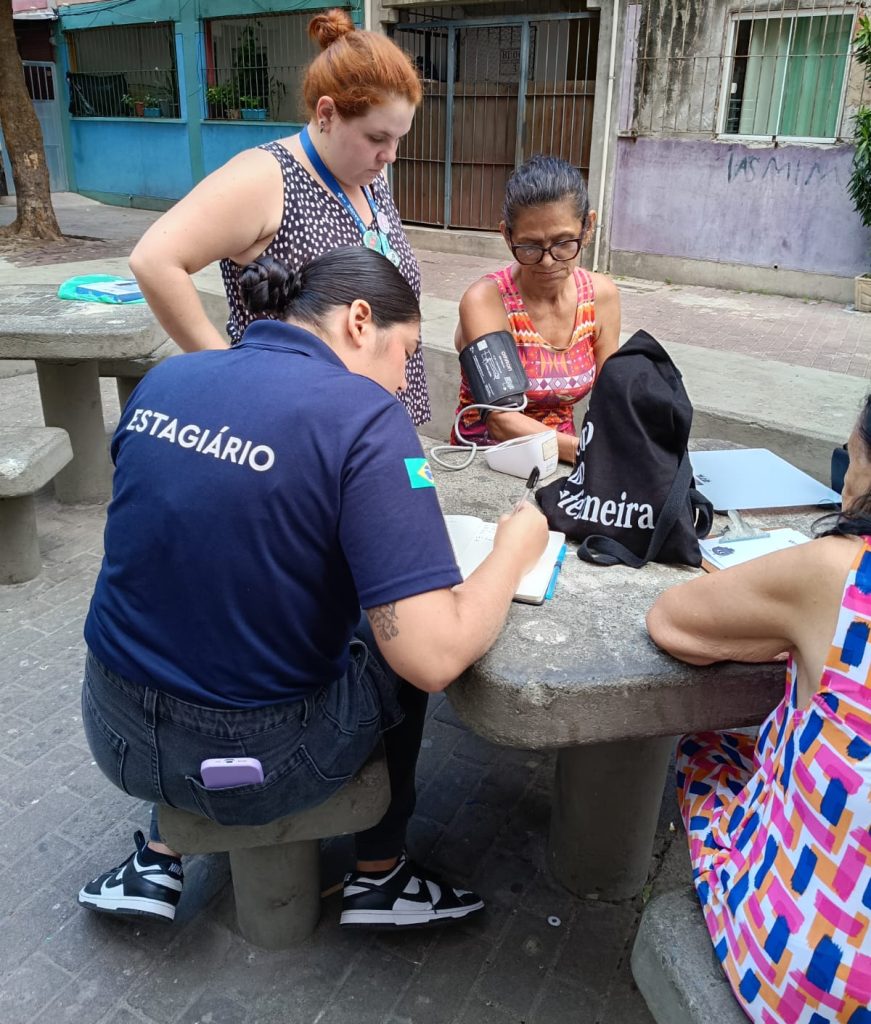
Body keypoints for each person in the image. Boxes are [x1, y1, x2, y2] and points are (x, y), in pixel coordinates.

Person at [76, 247, 548, 930]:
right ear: (359, 320)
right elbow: (434, 656)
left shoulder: (169, 377)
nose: (402, 382)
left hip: (113, 734)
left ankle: (156, 857)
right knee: (391, 632)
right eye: (406, 353)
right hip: (266, 764)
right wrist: (512, 551)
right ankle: (381, 874)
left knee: (192, 590)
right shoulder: (364, 415)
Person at [646, 401, 871, 1022]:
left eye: (850, 459)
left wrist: (787, 627)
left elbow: (672, 620)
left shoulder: (838, 572)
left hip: (823, 978)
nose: (845, 483)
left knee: (710, 749)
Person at [128, 9, 432, 426]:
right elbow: (154, 260)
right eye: (377, 137)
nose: (390, 155)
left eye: (398, 139)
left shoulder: (368, 177)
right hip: (301, 422)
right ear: (327, 114)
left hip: (379, 416)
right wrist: (227, 374)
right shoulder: (266, 177)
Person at [450, 156, 621, 463]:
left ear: (588, 227)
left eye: (563, 243)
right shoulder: (487, 301)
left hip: (564, 459)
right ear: (507, 236)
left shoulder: (601, 297)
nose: (547, 261)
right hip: (488, 459)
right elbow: (501, 420)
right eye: (530, 246)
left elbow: (612, 398)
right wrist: (590, 454)